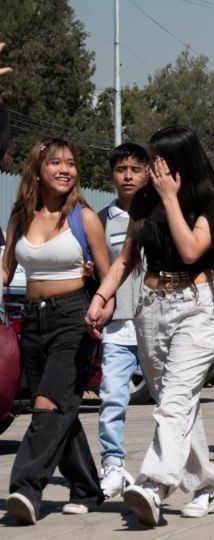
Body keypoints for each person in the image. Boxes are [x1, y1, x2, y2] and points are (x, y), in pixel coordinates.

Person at [85, 125, 214, 527]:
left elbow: (189, 250)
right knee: (177, 402)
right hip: (151, 308)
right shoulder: (144, 202)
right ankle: (205, 485)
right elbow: (124, 260)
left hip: (197, 308)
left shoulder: (213, 202)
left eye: (157, 159)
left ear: (179, 160)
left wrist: (170, 198)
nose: (150, 168)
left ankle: (153, 484)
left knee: (173, 401)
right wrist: (101, 297)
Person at [4, 139, 111, 525]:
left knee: (46, 405)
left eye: (71, 163)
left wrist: (102, 308)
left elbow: (107, 274)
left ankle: (25, 489)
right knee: (61, 407)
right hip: (31, 320)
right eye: (56, 163)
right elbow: (5, 269)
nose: (65, 169)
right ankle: (87, 489)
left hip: (73, 318)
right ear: (38, 169)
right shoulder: (20, 215)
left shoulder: (85, 218)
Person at [97, 143, 151, 499]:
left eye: (135, 169)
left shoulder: (161, 212)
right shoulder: (102, 219)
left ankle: (174, 471)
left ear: (147, 172)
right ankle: (113, 465)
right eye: (121, 170)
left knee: (174, 404)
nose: (128, 176)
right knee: (112, 397)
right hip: (118, 325)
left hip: (157, 324)